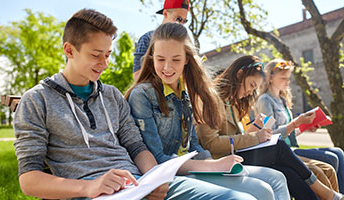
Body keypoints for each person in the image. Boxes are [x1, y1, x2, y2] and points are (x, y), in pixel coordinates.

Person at [13, 9, 254, 200]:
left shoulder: (112, 95)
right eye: (96, 55)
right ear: (69, 50)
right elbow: (29, 180)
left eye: (107, 54)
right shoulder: (36, 100)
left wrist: (153, 179)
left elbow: (136, 145)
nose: (105, 63)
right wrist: (90, 187)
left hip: (140, 184)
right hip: (91, 193)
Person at [126, 22, 291, 200]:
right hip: (173, 174)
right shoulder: (142, 96)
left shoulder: (186, 93)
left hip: (197, 167)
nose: (167, 67)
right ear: (151, 57)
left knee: (276, 178)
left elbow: (194, 144)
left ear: (187, 59)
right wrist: (212, 166)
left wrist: (214, 163)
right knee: (261, 190)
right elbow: (157, 157)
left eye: (175, 60)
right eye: (160, 59)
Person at [195, 55, 344, 200]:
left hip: (238, 155)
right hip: (223, 160)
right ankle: (325, 193)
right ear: (240, 74)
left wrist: (255, 130)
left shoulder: (232, 102)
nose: (251, 92)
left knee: (289, 173)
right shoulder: (210, 99)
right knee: (280, 148)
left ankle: (324, 195)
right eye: (252, 85)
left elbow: (237, 137)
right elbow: (212, 144)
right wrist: (256, 137)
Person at [254, 58, 344, 193]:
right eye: (283, 78)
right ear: (270, 78)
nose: (287, 82)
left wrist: (305, 127)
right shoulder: (265, 101)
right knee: (330, 158)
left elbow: (289, 133)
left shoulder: (282, 101)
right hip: (283, 152)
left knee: (338, 152)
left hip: (291, 147)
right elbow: (270, 134)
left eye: (288, 78)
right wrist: (297, 123)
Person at [133, 0, 190, 80]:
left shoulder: (185, 42)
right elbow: (137, 75)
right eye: (178, 19)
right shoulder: (147, 39)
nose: (181, 25)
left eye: (184, 21)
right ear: (165, 13)